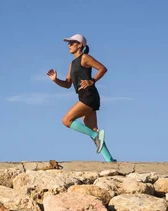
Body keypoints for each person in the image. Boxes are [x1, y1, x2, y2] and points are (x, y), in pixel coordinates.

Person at [47, 34, 116, 162]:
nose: (69, 45)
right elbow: (68, 84)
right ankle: (110, 161)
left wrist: (92, 80)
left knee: (66, 120)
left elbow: (102, 69)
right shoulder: (72, 64)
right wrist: (55, 80)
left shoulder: (85, 58)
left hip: (89, 95)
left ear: (80, 45)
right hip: (84, 96)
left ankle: (96, 136)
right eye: (69, 43)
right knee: (92, 130)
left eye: (72, 43)